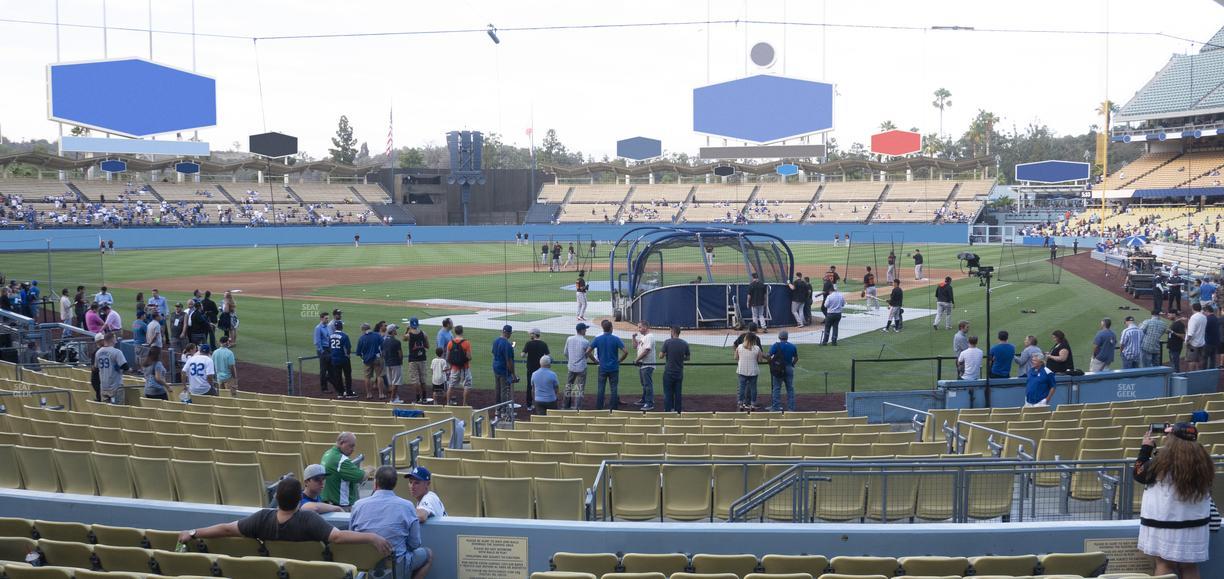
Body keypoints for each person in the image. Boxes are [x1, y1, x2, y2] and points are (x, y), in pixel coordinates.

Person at [179, 478, 389, 553]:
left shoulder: (262, 518)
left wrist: (194, 532)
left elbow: (226, 529)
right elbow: (338, 537)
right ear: (299, 500)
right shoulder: (307, 520)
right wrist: (372, 536)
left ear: (277, 498)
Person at [1134, 422, 1214, 579]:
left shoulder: (1162, 461)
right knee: (1190, 565)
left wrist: (1145, 449)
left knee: (1164, 564)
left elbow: (1138, 474)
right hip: (1195, 525)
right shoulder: (1204, 459)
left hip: (1164, 524)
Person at [351, 466, 433, 579]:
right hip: (395, 569)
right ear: (394, 485)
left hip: (365, 568)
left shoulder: (357, 505)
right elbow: (414, 544)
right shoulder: (407, 506)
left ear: (375, 483)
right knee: (428, 554)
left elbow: (352, 536)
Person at [322, 432, 369, 509]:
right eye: (351, 446)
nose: (353, 449)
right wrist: (369, 470)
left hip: (329, 501)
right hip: (342, 506)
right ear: (341, 443)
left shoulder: (327, 453)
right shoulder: (341, 460)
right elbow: (361, 477)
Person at [589, 319, 627, 410]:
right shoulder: (616, 338)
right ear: (611, 328)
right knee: (614, 388)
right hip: (614, 367)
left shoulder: (598, 339)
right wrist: (620, 360)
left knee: (601, 388)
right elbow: (625, 352)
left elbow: (587, 352)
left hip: (602, 367)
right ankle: (613, 407)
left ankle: (599, 407)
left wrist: (595, 360)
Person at [659, 326, 689, 413]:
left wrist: (667, 354)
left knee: (668, 393)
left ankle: (668, 411)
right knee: (678, 393)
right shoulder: (684, 343)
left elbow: (660, 356)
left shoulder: (667, 342)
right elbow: (688, 357)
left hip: (668, 372)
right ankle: (678, 411)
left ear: (672, 332)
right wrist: (679, 358)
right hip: (679, 372)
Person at [491, 325, 517, 422]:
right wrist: (513, 374)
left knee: (497, 388)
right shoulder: (507, 345)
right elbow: (509, 361)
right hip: (503, 369)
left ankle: (497, 409)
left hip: (496, 367)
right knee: (504, 390)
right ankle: (504, 410)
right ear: (508, 333)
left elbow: (494, 353)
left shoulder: (496, 341)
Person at [767, 330, 799, 411]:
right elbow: (796, 358)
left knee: (777, 388)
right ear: (787, 337)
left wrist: (771, 363)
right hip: (789, 368)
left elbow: (768, 355)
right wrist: (792, 364)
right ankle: (791, 408)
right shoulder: (792, 346)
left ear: (779, 337)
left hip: (778, 368)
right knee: (790, 388)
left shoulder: (775, 345)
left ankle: (776, 407)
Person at [95, 333, 129, 405]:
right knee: (118, 410)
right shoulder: (117, 352)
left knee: (106, 410)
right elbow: (125, 367)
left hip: (104, 386)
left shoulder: (98, 352)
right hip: (115, 386)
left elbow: (96, 367)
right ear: (113, 339)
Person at [564, 323, 591, 409]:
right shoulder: (585, 342)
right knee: (579, 388)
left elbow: (565, 353)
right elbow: (587, 355)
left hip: (571, 366)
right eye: (585, 329)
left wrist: (571, 359)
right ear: (582, 330)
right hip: (581, 368)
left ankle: (565, 406)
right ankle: (577, 407)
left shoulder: (569, 339)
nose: (586, 330)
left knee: (569, 386)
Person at [401, 319, 429, 403]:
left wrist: (407, 329)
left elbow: (403, 338)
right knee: (423, 380)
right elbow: (427, 346)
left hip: (413, 360)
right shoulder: (424, 334)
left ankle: (418, 398)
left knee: (415, 380)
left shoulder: (409, 335)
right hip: (422, 358)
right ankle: (424, 398)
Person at [522, 328, 550, 412]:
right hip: (540, 368)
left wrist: (529, 355)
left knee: (529, 386)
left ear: (534, 334)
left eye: (531, 334)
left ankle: (529, 404)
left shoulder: (528, 343)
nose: (530, 335)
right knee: (540, 385)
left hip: (530, 368)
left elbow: (522, 355)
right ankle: (539, 403)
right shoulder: (544, 344)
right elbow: (548, 356)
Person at [445, 325, 473, 406]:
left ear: (455, 332)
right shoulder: (466, 343)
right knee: (467, 385)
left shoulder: (450, 343)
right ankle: (464, 403)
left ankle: (447, 403)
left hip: (454, 368)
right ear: (462, 331)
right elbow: (469, 357)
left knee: (451, 385)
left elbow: (447, 357)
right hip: (465, 368)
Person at [735, 330, 763, 411]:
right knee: (753, 388)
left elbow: (736, 358)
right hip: (753, 371)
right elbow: (760, 360)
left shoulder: (739, 347)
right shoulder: (757, 348)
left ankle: (740, 404)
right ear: (754, 340)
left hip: (742, 371)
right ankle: (753, 404)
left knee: (741, 388)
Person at [356, 323, 385, 401]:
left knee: (367, 377)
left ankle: (369, 394)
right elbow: (383, 346)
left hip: (367, 359)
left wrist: (363, 357)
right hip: (377, 358)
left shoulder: (362, 338)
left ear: (363, 330)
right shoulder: (377, 335)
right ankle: (381, 394)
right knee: (379, 376)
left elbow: (358, 352)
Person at [633, 323, 656, 410]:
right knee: (644, 384)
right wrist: (633, 338)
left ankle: (649, 403)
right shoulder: (643, 337)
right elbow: (635, 347)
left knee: (647, 384)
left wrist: (637, 360)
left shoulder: (649, 337)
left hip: (647, 364)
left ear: (646, 327)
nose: (638, 329)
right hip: (643, 365)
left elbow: (647, 350)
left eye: (640, 327)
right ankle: (644, 399)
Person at [329, 320, 355, 398]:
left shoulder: (331, 336)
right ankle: (349, 393)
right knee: (347, 376)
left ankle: (340, 393)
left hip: (334, 359)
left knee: (338, 376)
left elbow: (330, 347)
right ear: (341, 327)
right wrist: (348, 355)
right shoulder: (344, 336)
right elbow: (348, 348)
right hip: (344, 359)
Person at [382, 325, 405, 403]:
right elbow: (400, 355)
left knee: (392, 381)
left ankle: (395, 396)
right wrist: (401, 362)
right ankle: (392, 399)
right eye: (395, 330)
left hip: (388, 363)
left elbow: (383, 353)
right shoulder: (396, 342)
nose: (396, 331)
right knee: (396, 382)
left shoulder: (384, 341)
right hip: (396, 363)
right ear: (392, 331)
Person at [314, 312, 332, 393]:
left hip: (329, 349)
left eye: (328, 318)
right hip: (323, 350)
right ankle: (324, 388)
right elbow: (317, 342)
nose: (327, 319)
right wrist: (322, 351)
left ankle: (330, 381)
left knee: (331, 368)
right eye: (326, 318)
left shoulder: (328, 327)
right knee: (323, 369)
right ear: (321, 319)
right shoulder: (318, 328)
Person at [1186, 303, 1207, 371]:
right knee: (1198, 360)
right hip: (1202, 342)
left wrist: (1187, 341)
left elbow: (1190, 333)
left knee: (1192, 360)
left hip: (1193, 343)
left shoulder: (1193, 317)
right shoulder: (1204, 317)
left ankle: (1192, 376)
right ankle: (1198, 375)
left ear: (1193, 308)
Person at [1203, 305, 1220, 370]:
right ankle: (1211, 373)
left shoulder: (1207, 319)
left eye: (1204, 312)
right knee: (1213, 359)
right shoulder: (1216, 318)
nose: (1204, 313)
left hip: (1208, 342)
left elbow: (1204, 330)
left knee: (1205, 358)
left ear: (1207, 311)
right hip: (1215, 342)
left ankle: (1203, 373)